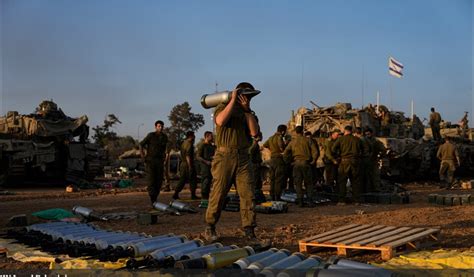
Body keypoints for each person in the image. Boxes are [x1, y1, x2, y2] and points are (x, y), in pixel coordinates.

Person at [204, 82, 260, 243]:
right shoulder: (222, 107)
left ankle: (249, 231)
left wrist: (247, 110)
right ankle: (210, 227)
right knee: (219, 193)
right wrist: (232, 100)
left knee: (248, 194)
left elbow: (254, 132)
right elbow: (220, 121)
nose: (246, 99)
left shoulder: (248, 113)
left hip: (243, 158)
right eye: (244, 96)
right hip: (224, 157)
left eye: (249, 97)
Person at [283, 126, 319, 207]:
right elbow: (315, 151)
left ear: (295, 132)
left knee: (298, 183)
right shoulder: (308, 140)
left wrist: (289, 162)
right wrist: (313, 161)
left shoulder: (292, 142)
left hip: (296, 164)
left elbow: (285, 153)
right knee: (309, 183)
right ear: (302, 131)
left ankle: (300, 201)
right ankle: (310, 201)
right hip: (306, 163)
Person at [331, 125, 363, 204]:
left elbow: (333, 149)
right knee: (355, 181)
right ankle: (356, 200)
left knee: (342, 181)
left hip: (344, 161)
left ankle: (342, 200)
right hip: (355, 161)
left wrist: (338, 155)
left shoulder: (341, 139)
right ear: (352, 131)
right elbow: (363, 149)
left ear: (345, 131)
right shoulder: (357, 139)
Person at [140, 120, 168, 206]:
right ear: (155, 127)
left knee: (159, 181)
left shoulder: (164, 137)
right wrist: (143, 156)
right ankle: (153, 199)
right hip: (150, 161)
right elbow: (141, 144)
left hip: (159, 161)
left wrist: (165, 158)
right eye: (159, 126)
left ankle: (155, 198)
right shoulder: (151, 135)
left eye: (162, 126)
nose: (161, 128)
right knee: (151, 180)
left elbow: (166, 148)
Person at [263, 125, 287, 200]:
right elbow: (281, 146)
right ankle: (277, 197)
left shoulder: (271, 138)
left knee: (272, 179)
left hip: (272, 159)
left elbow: (265, 145)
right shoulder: (279, 137)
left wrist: (272, 150)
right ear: (283, 131)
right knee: (278, 179)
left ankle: (272, 196)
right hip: (278, 159)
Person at [173, 131, 199, 200]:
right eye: (193, 135)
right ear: (190, 136)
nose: (194, 137)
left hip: (183, 164)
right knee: (192, 179)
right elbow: (188, 155)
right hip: (187, 164)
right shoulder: (189, 144)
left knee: (183, 179)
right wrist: (190, 166)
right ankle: (192, 195)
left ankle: (176, 194)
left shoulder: (184, 143)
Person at [197, 131, 216, 206]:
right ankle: (204, 199)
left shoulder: (211, 146)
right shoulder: (202, 145)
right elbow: (198, 156)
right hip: (205, 167)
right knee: (205, 182)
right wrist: (206, 161)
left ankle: (207, 198)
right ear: (207, 137)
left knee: (209, 183)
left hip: (211, 167)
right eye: (211, 136)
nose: (212, 138)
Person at [363, 128, 385, 192]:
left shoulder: (375, 141)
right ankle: (371, 189)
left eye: (368, 134)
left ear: (371, 134)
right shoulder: (375, 141)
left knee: (375, 176)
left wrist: (380, 156)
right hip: (367, 161)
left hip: (372, 160)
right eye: (366, 134)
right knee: (369, 176)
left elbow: (383, 150)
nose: (367, 135)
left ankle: (374, 189)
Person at [249, 132, 265, 203]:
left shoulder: (255, 144)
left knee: (257, 181)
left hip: (255, 164)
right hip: (255, 165)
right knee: (255, 181)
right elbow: (250, 153)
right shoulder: (254, 144)